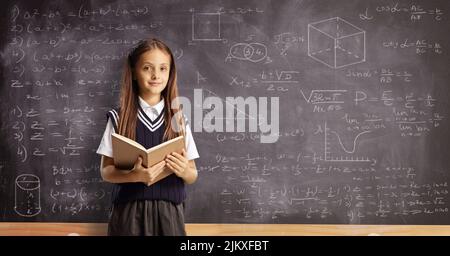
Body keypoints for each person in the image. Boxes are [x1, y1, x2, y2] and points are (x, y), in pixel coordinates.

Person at [96, 38, 199, 236]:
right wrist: (135, 176)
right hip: (128, 213)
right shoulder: (119, 118)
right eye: (147, 68)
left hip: (169, 213)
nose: (155, 75)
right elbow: (106, 171)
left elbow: (192, 174)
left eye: (163, 69)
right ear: (134, 72)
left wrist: (184, 169)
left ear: (170, 74)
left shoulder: (179, 119)